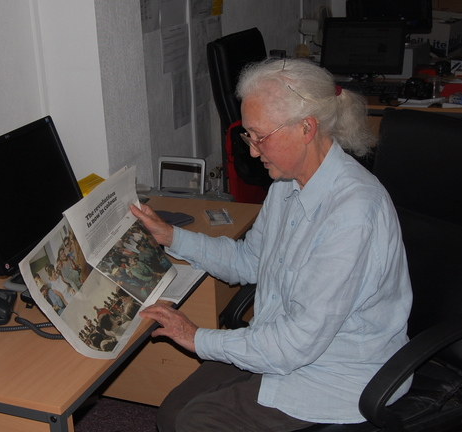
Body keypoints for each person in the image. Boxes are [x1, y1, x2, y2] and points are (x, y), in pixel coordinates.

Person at [131, 58, 413, 431]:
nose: (251, 151)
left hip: (340, 375)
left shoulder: (352, 213)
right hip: (282, 346)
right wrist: (171, 236)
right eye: (248, 135)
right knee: (172, 413)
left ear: (306, 129)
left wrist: (197, 338)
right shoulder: (286, 185)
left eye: (259, 136)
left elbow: (296, 345)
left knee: (193, 423)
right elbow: (249, 261)